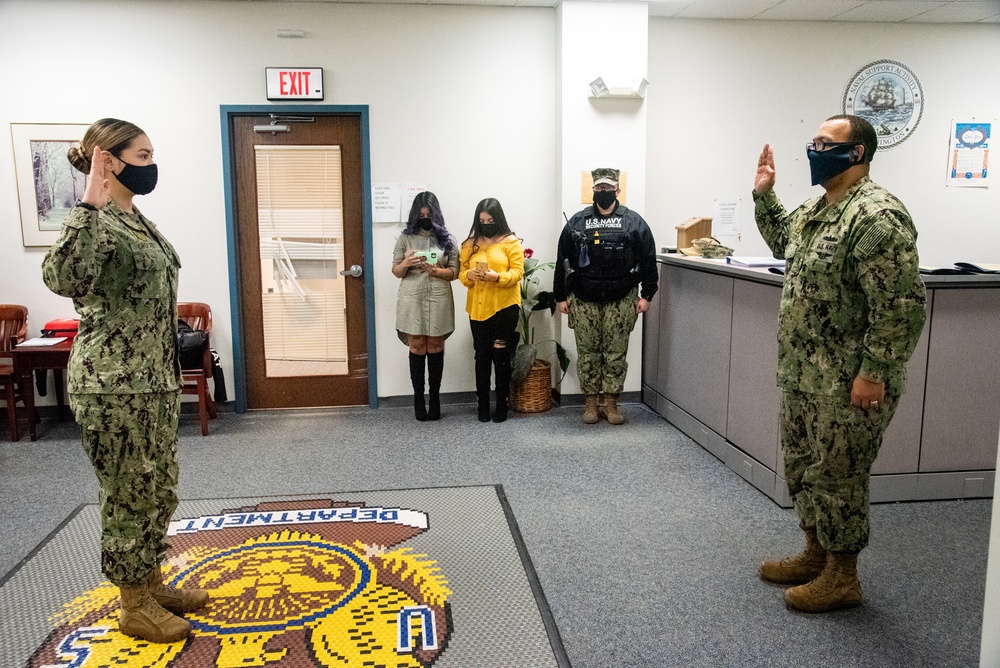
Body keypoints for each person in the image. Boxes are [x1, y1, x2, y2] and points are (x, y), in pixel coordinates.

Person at [41, 118, 208, 643]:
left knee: (158, 489)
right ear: (107, 160)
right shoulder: (96, 220)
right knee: (128, 493)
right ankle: (132, 603)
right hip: (113, 384)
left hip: (153, 380)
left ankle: (151, 581)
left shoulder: (137, 220)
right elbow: (62, 276)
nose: (151, 164)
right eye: (141, 155)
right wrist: (88, 202)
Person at [752, 114, 927, 612]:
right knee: (805, 470)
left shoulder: (876, 215)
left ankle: (843, 577)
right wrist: (765, 195)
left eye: (825, 143)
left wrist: (873, 373)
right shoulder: (818, 208)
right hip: (805, 374)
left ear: (856, 154)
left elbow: (901, 307)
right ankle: (816, 555)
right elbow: (784, 242)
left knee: (839, 477)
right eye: (812, 141)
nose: (814, 149)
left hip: (850, 380)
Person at [553, 168, 658, 425]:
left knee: (615, 352)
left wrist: (648, 295)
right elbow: (562, 261)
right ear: (593, 190)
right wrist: (560, 297)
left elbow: (648, 259)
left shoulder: (634, 222)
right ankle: (590, 404)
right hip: (584, 296)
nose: (603, 192)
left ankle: (611, 404)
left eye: (608, 188)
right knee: (587, 352)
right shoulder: (577, 222)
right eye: (599, 188)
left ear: (617, 190)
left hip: (621, 297)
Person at [391, 191, 459, 421]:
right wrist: (407, 262)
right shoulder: (405, 238)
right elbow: (396, 271)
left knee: (436, 344)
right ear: (414, 215)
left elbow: (455, 272)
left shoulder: (448, 239)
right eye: (421, 215)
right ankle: (418, 398)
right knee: (418, 344)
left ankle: (435, 397)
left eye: (429, 214)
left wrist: (437, 271)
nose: (425, 218)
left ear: (436, 214)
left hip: (439, 295)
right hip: (412, 296)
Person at [458, 198, 524, 423]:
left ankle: (502, 405)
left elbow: (517, 273)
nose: (486, 224)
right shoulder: (469, 244)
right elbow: (462, 274)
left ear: (498, 219)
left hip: (504, 307)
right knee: (482, 356)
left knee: (501, 354)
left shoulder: (511, 242)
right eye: (482, 220)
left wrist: (497, 277)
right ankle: (483, 405)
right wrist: (469, 275)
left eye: (490, 220)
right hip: (478, 308)